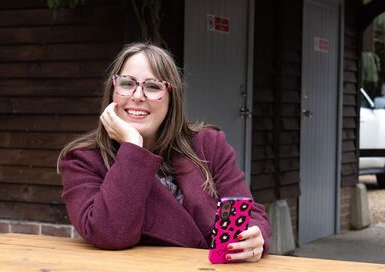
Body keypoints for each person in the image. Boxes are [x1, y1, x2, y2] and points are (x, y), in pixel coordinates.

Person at [57, 42, 271, 262]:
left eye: (152, 86)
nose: (138, 96)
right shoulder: (82, 159)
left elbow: (250, 213)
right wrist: (132, 145)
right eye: (127, 83)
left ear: (172, 97)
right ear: (113, 90)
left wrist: (255, 237)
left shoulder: (209, 144)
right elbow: (108, 233)